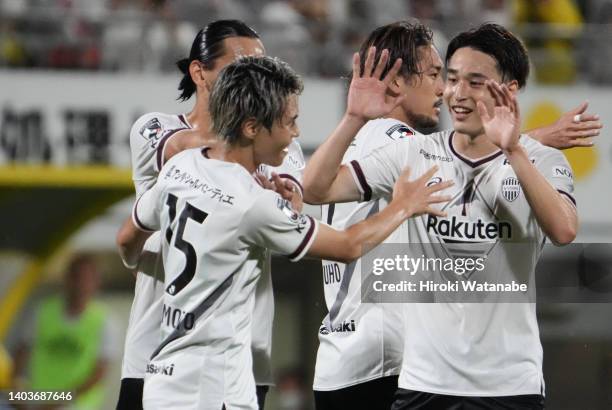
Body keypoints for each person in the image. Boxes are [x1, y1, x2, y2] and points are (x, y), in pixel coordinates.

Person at [116, 54, 452, 410]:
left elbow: (127, 241)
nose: (296, 133)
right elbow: (348, 245)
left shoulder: (181, 167)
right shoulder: (253, 204)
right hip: (215, 385)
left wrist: (143, 263)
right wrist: (403, 204)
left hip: (162, 378)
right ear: (251, 127)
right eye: (289, 121)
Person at [304, 20, 600, 410]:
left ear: (508, 90)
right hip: (405, 370)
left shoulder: (538, 161)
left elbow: (562, 228)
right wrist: (354, 116)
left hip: (494, 380)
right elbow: (318, 188)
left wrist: (521, 147)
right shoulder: (409, 149)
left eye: (471, 81)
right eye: (445, 77)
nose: (450, 92)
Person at [117, 20, 305, 410]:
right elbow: (186, 147)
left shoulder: (280, 146)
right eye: (241, 65)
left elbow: (293, 209)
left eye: (263, 65)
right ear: (199, 71)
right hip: (155, 343)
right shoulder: (155, 129)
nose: (257, 76)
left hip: (239, 354)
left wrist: (290, 195)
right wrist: (251, 138)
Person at [13, 255, 115, 410]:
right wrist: (18, 392)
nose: (81, 284)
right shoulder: (42, 311)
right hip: (39, 400)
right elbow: (21, 352)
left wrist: (57, 402)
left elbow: (99, 373)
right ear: (67, 279)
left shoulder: (105, 321)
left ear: (96, 282)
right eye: (77, 277)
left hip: (78, 405)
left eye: (87, 279)